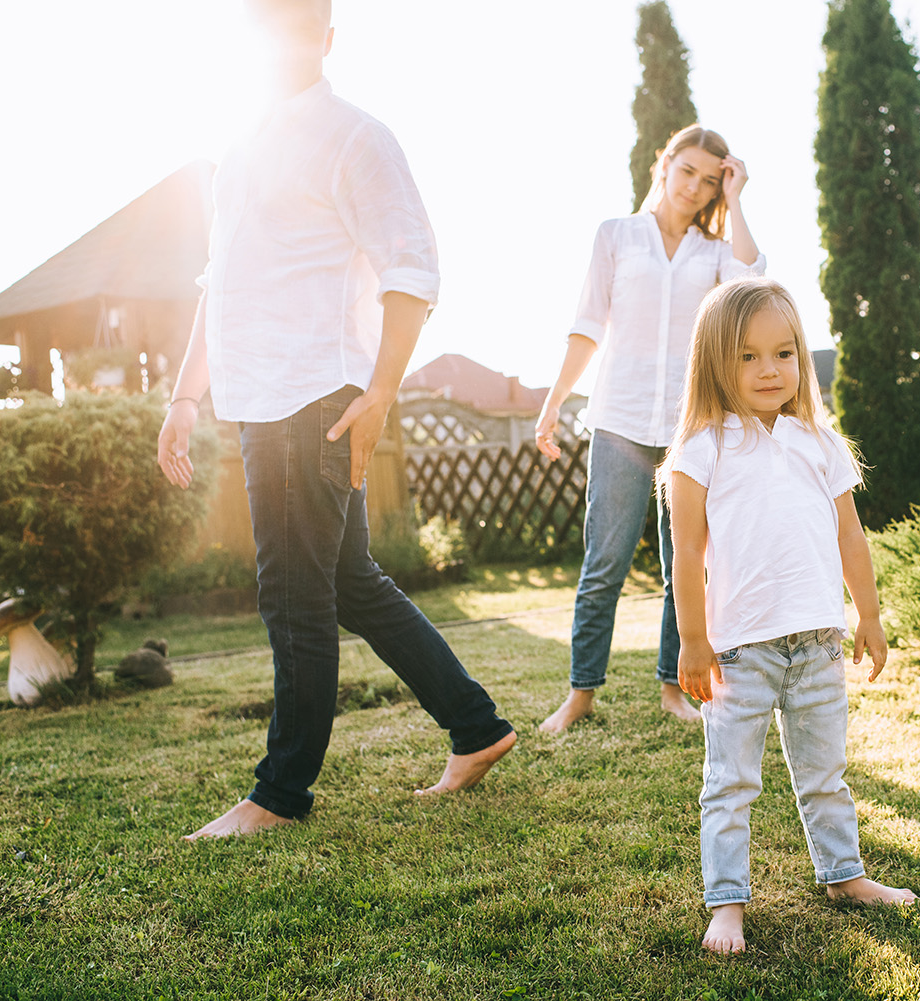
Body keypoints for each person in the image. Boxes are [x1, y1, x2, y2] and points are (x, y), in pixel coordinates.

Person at [156, 0, 514, 840]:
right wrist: (182, 396)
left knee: (293, 599)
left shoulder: (355, 137)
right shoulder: (237, 151)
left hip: (309, 400)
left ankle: (278, 794)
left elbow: (413, 269)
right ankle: (476, 726)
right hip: (256, 401)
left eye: (294, 25)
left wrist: (380, 389)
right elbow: (222, 287)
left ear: (325, 37)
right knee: (351, 583)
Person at [661, 276, 917, 954]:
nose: (769, 369)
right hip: (739, 649)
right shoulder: (703, 446)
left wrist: (869, 615)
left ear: (803, 356)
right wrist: (692, 641)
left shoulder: (819, 441)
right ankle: (727, 902)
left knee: (825, 773)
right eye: (747, 356)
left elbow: (850, 536)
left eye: (783, 352)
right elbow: (686, 550)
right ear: (715, 362)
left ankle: (845, 874)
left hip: (818, 642)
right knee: (731, 783)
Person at [534, 125, 764, 734]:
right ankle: (580, 695)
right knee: (603, 561)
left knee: (684, 562)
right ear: (664, 165)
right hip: (618, 421)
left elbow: (750, 280)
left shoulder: (713, 251)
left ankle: (674, 687)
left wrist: (737, 200)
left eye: (711, 180)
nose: (696, 186)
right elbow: (587, 324)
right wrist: (555, 399)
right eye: (688, 170)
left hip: (689, 428)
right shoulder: (616, 236)